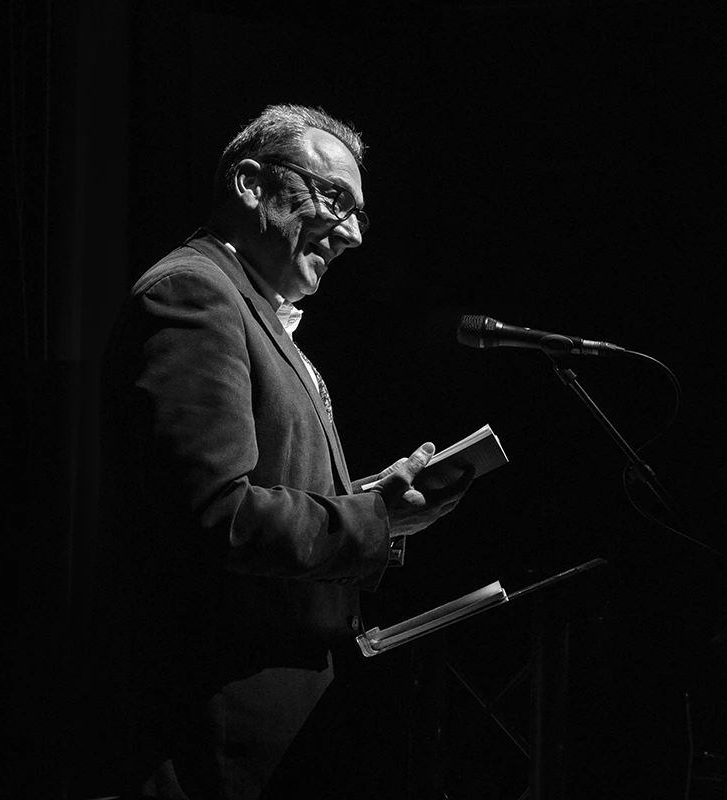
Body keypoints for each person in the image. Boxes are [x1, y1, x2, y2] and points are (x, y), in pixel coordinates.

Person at [90, 104, 472, 799]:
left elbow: (257, 492)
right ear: (249, 183)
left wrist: (373, 504)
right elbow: (218, 515)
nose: (354, 233)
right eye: (333, 199)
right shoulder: (194, 295)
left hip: (274, 732)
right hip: (216, 740)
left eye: (358, 212)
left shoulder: (253, 308)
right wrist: (372, 521)